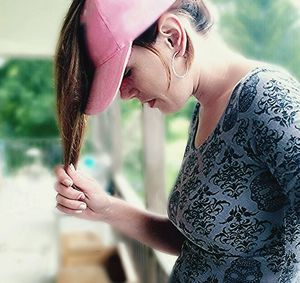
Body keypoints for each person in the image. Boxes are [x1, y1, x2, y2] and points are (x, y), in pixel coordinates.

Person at [54, 0, 300, 282]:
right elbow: (196, 245)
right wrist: (106, 207)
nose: (123, 94)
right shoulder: (205, 110)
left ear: (173, 37)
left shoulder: (268, 99)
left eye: (127, 72)